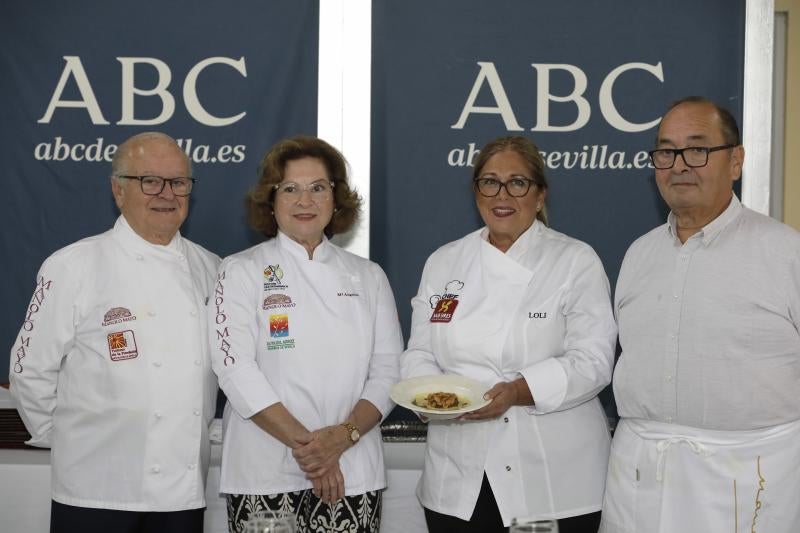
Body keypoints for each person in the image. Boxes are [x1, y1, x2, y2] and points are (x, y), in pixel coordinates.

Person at [600, 96, 800, 533]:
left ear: (736, 161)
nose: (678, 164)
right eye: (666, 151)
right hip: (640, 476)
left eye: (697, 149)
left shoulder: (786, 253)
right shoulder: (640, 253)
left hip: (750, 481)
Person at [400, 135, 617, 533]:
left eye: (518, 183)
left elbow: (594, 361)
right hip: (457, 478)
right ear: (476, 191)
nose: (503, 195)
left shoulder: (574, 261)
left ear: (539, 195)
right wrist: (426, 395)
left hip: (550, 481)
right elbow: (420, 352)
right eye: (490, 182)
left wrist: (517, 391)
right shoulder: (445, 262)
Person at [9, 132, 220, 533]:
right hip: (93, 489)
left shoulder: (212, 268)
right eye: (150, 181)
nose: (167, 194)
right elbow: (28, 369)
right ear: (117, 190)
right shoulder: (73, 264)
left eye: (179, 182)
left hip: (181, 491)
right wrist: (74, 438)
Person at [210, 135, 403, 533]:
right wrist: (314, 449)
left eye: (318, 188)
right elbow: (235, 370)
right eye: (290, 189)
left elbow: (389, 373)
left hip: (351, 471)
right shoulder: (240, 270)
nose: (305, 201)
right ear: (271, 200)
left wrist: (341, 439)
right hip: (264, 472)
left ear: (336, 199)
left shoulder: (368, 276)